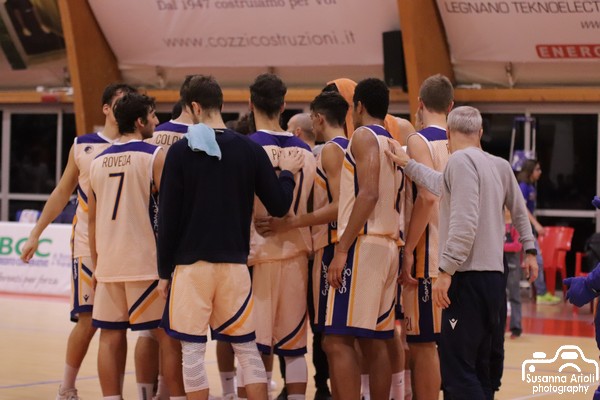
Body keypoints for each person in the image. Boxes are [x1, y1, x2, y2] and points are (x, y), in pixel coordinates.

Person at [156, 74, 304, 400]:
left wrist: (164, 272)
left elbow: (167, 220)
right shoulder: (250, 150)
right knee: (247, 350)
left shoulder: (179, 152)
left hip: (191, 267)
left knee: (193, 353)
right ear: (221, 104)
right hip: (236, 266)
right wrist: (287, 174)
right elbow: (280, 206)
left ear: (194, 107)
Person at [386, 105, 539, 399]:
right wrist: (530, 250)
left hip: (467, 278)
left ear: (448, 134)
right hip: (495, 278)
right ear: (480, 132)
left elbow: (464, 223)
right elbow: (519, 212)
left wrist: (446, 271)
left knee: (458, 371)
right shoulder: (499, 165)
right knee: (485, 367)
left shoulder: (458, 161)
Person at [19, 83, 136, 400]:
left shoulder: (140, 145)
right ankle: (66, 387)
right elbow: (61, 193)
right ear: (106, 108)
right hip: (86, 245)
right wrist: (35, 233)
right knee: (88, 321)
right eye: (120, 101)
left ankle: (115, 393)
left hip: (124, 249)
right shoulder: (83, 145)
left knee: (117, 326)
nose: (124, 106)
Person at [88, 92, 184, 400]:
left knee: (109, 337)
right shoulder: (154, 155)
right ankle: (174, 397)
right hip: (145, 262)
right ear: (140, 121)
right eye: (153, 115)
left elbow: (91, 221)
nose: (157, 121)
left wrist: (96, 266)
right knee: (167, 337)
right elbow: (171, 211)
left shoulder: (96, 160)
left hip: (108, 263)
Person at [256, 91, 350, 400]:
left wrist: (292, 222)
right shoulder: (315, 152)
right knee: (302, 343)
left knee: (257, 346)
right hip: (305, 252)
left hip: (277, 252)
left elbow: (338, 205)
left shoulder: (329, 151)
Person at [323, 78, 402, 400]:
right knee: (376, 340)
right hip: (388, 245)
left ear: (359, 106)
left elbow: (368, 193)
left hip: (364, 244)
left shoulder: (363, 135)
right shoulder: (393, 142)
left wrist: (342, 249)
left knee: (336, 340)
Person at [246, 73, 316, 400]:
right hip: (297, 255)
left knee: (253, 347)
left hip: (257, 256)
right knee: (294, 347)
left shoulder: (247, 147)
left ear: (250, 104)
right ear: (284, 105)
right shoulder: (307, 151)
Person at [399, 73, 454, 399]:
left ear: (419, 104)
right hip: (459, 259)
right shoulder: (464, 142)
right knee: (450, 344)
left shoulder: (419, 141)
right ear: (451, 106)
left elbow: (428, 197)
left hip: (429, 257)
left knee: (423, 345)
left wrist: (408, 249)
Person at [516, 159, 562, 305]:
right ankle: (540, 293)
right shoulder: (522, 187)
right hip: (521, 230)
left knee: (537, 261)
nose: (540, 172)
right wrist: (536, 224)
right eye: (537, 169)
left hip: (528, 229)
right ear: (530, 170)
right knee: (534, 260)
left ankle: (540, 293)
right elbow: (522, 210)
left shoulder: (531, 187)